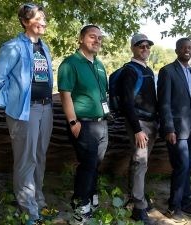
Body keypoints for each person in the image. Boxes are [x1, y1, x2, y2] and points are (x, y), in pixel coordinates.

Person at [0, 3, 53, 225]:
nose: (44, 21)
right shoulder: (13, 46)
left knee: (40, 157)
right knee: (26, 160)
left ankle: (38, 200)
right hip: (24, 111)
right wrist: (15, 95)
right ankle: (29, 213)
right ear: (26, 22)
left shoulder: (44, 47)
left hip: (46, 108)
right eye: (39, 17)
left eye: (44, 17)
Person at [58, 25, 109, 224]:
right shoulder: (70, 63)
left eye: (99, 38)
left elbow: (103, 94)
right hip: (83, 124)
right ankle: (80, 203)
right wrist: (73, 122)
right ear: (81, 39)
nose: (97, 40)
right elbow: (65, 95)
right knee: (87, 165)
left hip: (101, 124)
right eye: (92, 36)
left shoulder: (99, 64)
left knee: (96, 163)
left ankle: (91, 194)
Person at [158, 38, 191, 223]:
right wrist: (169, 128)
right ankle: (173, 206)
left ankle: (186, 203)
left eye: (190, 47)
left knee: (188, 166)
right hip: (175, 130)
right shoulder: (167, 71)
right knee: (181, 166)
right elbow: (164, 103)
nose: (187, 50)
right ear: (176, 50)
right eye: (183, 47)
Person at [117, 33, 158, 225]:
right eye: (141, 46)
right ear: (133, 48)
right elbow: (127, 103)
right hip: (139, 125)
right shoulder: (130, 71)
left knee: (141, 163)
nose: (145, 49)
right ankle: (139, 207)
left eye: (147, 46)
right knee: (140, 162)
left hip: (151, 123)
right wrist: (137, 130)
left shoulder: (147, 69)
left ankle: (136, 196)